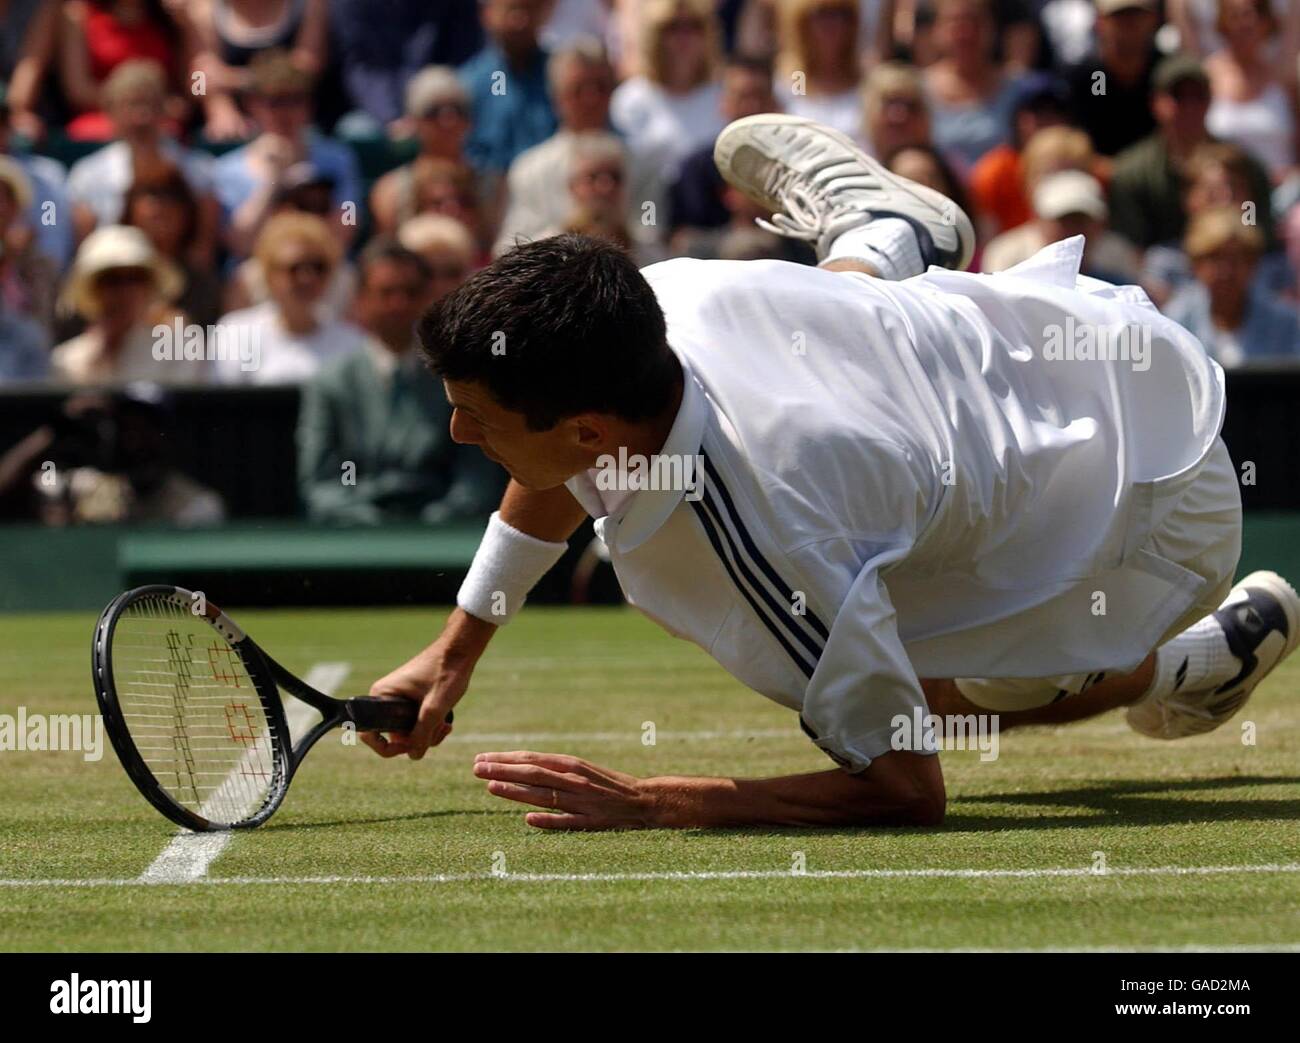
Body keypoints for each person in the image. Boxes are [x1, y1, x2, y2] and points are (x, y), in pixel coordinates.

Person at [359, 114, 1297, 836]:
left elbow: (902, 786)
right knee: (836, 312)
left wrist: (655, 800)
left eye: (477, 416)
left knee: (938, 692)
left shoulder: (767, 534)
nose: (457, 430)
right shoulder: (657, 302)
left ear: (589, 428)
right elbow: (567, 460)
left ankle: (1182, 667)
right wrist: (453, 654)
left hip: (1147, 506)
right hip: (1077, 352)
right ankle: (885, 234)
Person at [297, 239, 505, 525]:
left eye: (410, 292)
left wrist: (434, 522)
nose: (399, 304)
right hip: (354, 534)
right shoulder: (331, 383)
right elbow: (319, 484)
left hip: (441, 535)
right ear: (361, 300)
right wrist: (368, 521)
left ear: (428, 298)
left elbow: (475, 479)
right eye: (386, 293)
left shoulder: (456, 377)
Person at [495, 38, 663, 257]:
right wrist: (573, 231)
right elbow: (509, 250)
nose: (591, 98)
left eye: (600, 87)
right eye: (579, 89)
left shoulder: (643, 166)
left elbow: (652, 234)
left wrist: (617, 230)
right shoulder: (530, 170)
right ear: (556, 96)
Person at [1109, 52, 1274, 251]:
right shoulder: (1132, 173)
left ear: (1210, 100)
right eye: (1178, 96)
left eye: (1198, 96)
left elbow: (1260, 230)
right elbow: (1131, 244)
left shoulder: (1244, 167)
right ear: (1155, 102)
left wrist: (1239, 219)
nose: (1189, 106)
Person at [211, 49, 363, 259]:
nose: (285, 112)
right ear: (252, 104)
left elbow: (348, 227)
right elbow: (240, 243)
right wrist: (272, 182)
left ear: (309, 105)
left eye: (295, 99)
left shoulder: (339, 159)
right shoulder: (226, 170)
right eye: (274, 101)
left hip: (323, 267)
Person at [0, 384, 225, 524]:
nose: (136, 440)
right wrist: (54, 431)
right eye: (127, 428)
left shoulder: (198, 506)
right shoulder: (81, 488)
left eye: (147, 429)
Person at [66, 60, 217, 260]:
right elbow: (85, 249)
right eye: (130, 105)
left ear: (165, 109)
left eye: (150, 104)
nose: (141, 116)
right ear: (111, 112)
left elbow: (202, 250)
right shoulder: (87, 174)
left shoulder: (199, 170)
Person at [214, 211, 367, 384]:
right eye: (294, 268)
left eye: (318, 267)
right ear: (269, 274)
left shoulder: (351, 344)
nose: (307, 278)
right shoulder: (236, 334)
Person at [51, 224, 197, 386]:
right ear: (94, 288)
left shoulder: (177, 350)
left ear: (150, 285)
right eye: (112, 279)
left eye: (135, 277)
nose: (125, 290)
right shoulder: (65, 361)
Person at [1163, 206, 1300, 366]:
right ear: (1196, 264)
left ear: (1252, 264)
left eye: (1234, 259)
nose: (1226, 271)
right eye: (1215, 258)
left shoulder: (1286, 323)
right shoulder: (1174, 321)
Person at [610, 0, 725, 184]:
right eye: (673, 27)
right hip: (651, 203)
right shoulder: (631, 99)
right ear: (654, 35)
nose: (684, 37)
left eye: (694, 26)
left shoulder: (723, 94)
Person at [180, 0, 329, 141]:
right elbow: (196, 83)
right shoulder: (202, 9)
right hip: (234, 133)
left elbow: (307, 69)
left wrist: (235, 78)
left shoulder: (309, 5)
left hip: (296, 126)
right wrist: (218, 107)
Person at [669, 52, 778, 240]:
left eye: (760, 96)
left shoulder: (794, 168)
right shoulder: (696, 169)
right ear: (724, 103)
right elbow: (680, 240)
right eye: (742, 97)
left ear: (774, 102)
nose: (752, 107)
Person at [59, 0, 189, 141]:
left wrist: (189, 98)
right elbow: (78, 90)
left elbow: (196, 76)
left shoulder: (173, 15)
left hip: (161, 120)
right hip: (101, 117)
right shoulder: (79, 13)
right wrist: (133, 106)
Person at [369, 66, 478, 236]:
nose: (447, 120)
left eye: (456, 110)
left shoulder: (487, 187)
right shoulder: (391, 191)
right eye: (434, 111)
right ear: (414, 121)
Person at [981, 169, 1139, 283]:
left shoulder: (1119, 258)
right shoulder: (1006, 255)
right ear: (1039, 220)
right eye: (1063, 220)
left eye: (1081, 219)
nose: (1073, 231)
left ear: (1099, 224)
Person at [922, 0, 1022, 178]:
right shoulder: (917, 91)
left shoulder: (1021, 89)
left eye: (974, 21)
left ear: (992, 28)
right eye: (954, 22)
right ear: (936, 30)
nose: (965, 32)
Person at [1203, 0, 1299, 184]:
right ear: (1222, 23)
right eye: (1235, 16)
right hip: (1225, 194)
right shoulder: (1206, 77)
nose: (1244, 23)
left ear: (1266, 22)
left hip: (1284, 194)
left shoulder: (1285, 81)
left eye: (1251, 14)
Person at [459, 0, 558, 174]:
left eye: (529, 9)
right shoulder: (469, 83)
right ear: (488, 14)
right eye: (512, 10)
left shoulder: (560, 75)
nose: (520, 20)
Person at [1063, 0, 1161, 160]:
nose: (1129, 24)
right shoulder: (1095, 76)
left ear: (1153, 19)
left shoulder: (1164, 72)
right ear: (1100, 22)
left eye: (1136, 15)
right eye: (1119, 16)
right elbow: (1080, 135)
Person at [773, 0, 864, 141]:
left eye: (842, 14)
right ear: (802, 23)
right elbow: (796, 109)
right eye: (822, 14)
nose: (833, 23)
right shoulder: (798, 76)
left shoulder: (864, 78)